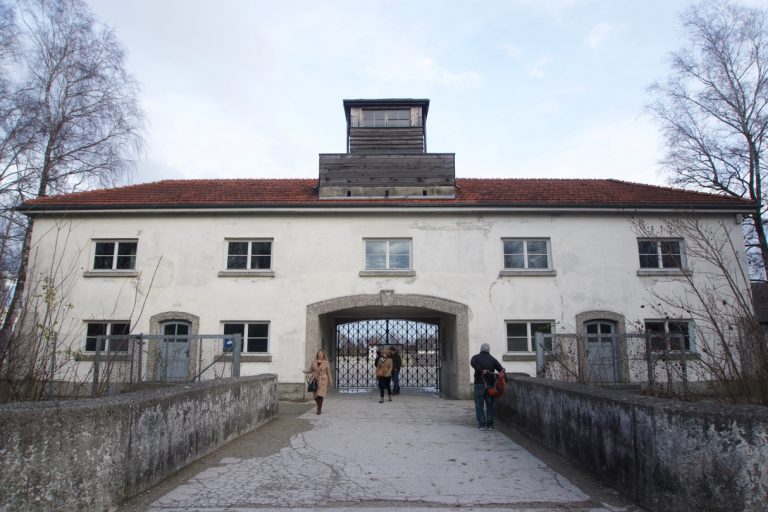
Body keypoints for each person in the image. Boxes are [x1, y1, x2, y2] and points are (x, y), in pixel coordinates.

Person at [470, 343, 504, 431]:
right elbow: (501, 370)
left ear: (480, 349)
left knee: (479, 404)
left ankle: (481, 424)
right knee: (490, 405)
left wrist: (481, 370)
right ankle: (490, 425)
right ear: (489, 350)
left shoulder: (475, 357)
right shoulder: (493, 359)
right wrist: (504, 380)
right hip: (490, 386)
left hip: (479, 385)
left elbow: (472, 363)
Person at [304, 349, 332, 415]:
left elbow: (328, 372)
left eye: (321, 353)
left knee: (320, 395)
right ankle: (319, 405)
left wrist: (330, 381)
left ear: (323, 355)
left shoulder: (326, 362)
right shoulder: (314, 362)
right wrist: (306, 371)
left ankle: (319, 409)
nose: (320, 354)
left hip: (323, 380)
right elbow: (310, 370)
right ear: (317, 354)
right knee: (315, 396)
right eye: (319, 353)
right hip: (315, 380)